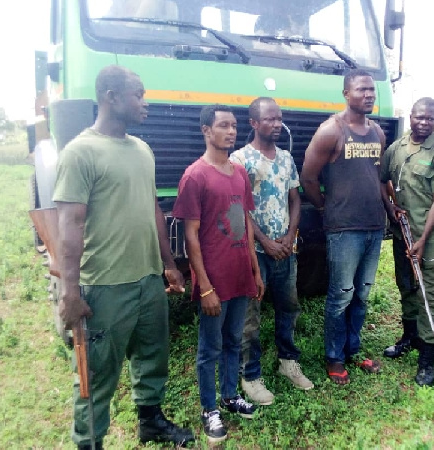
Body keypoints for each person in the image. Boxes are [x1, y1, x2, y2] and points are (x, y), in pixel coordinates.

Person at [53, 65, 194, 449]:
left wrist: (168, 265)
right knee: (96, 373)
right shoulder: (81, 152)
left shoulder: (142, 150)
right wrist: (69, 292)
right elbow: (69, 225)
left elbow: (153, 210)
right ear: (111, 97)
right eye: (138, 94)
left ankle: (150, 421)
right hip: (103, 285)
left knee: (152, 357)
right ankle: (89, 441)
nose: (145, 103)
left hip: (148, 279)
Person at [173, 104, 265, 442]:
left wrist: (255, 271)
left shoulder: (239, 172)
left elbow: (247, 225)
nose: (231, 131)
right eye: (223, 125)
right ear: (205, 131)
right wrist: (206, 287)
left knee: (233, 341)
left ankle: (229, 396)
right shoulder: (195, 176)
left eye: (234, 125)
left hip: (241, 276)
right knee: (209, 348)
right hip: (215, 280)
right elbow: (191, 236)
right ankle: (209, 409)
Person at [300, 69, 386, 385]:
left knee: (362, 294)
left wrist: (389, 209)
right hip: (343, 230)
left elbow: (375, 177)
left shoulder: (377, 132)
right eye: (362, 89)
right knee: (340, 295)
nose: (369, 95)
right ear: (346, 94)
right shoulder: (330, 132)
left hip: (374, 227)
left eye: (372, 90)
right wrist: (325, 208)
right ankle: (334, 357)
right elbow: (308, 178)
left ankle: (353, 349)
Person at [230, 97, 314, 405]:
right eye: (270, 119)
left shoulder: (286, 158)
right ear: (253, 123)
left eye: (279, 119)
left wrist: (291, 236)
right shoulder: (239, 159)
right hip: (255, 251)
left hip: (285, 250)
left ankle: (287, 361)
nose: (277, 124)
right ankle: (250, 375)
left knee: (288, 307)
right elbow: (239, 208)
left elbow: (294, 199)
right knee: (250, 316)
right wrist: (264, 241)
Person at [380, 97, 434, 387]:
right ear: (410, 117)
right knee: (406, 285)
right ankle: (409, 337)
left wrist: (423, 239)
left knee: (427, 293)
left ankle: (427, 357)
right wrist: (392, 210)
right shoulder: (396, 149)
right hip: (403, 231)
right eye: (419, 117)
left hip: (428, 235)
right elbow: (382, 181)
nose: (424, 123)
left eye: (430, 119)